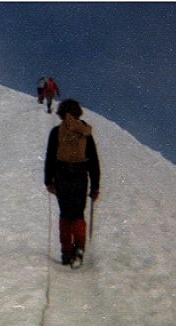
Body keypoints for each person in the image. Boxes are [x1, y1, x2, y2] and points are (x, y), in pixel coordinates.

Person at [44, 99, 100, 267]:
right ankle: (79, 249)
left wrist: (48, 180)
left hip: (62, 176)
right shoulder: (85, 132)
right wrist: (95, 186)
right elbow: (94, 161)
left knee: (65, 214)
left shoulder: (56, 132)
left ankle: (66, 252)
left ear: (61, 113)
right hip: (80, 176)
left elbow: (50, 158)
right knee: (77, 214)